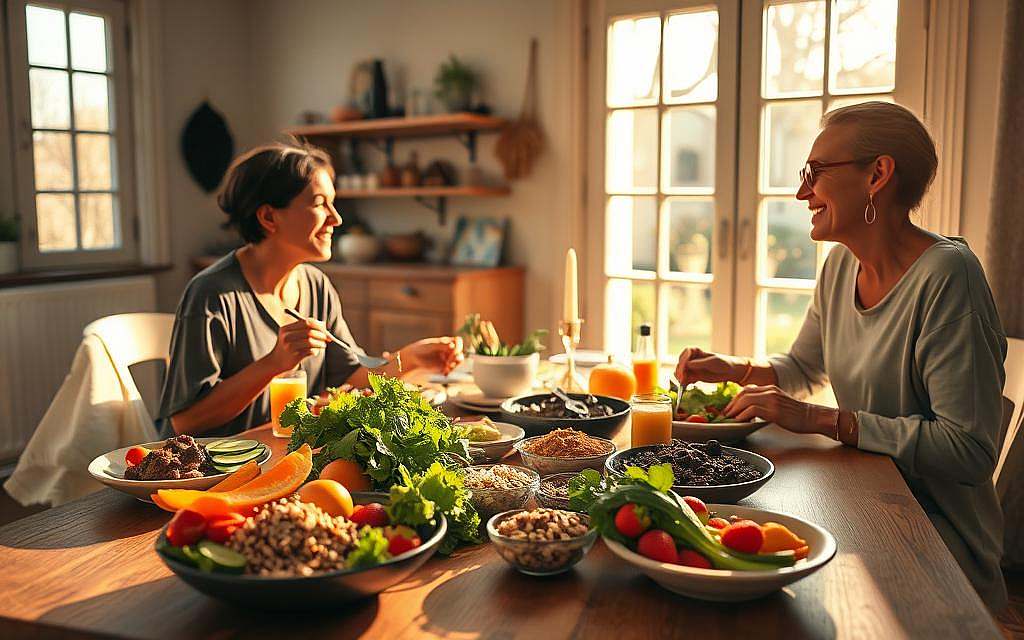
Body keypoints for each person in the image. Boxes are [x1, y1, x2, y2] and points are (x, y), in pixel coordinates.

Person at [675, 102, 1008, 610]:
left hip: (936, 542)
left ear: (878, 174)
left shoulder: (948, 276)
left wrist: (821, 419)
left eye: (815, 172)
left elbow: (967, 448)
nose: (801, 192)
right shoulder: (838, 267)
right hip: (866, 503)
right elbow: (804, 371)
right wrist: (734, 369)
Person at [157, 141, 463, 438]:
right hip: (211, 473)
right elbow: (187, 422)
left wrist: (410, 358)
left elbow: (349, 378)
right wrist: (275, 363)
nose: (336, 218)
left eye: (333, 202)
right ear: (268, 217)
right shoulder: (211, 294)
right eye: (319, 204)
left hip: (282, 456)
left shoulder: (317, 286)